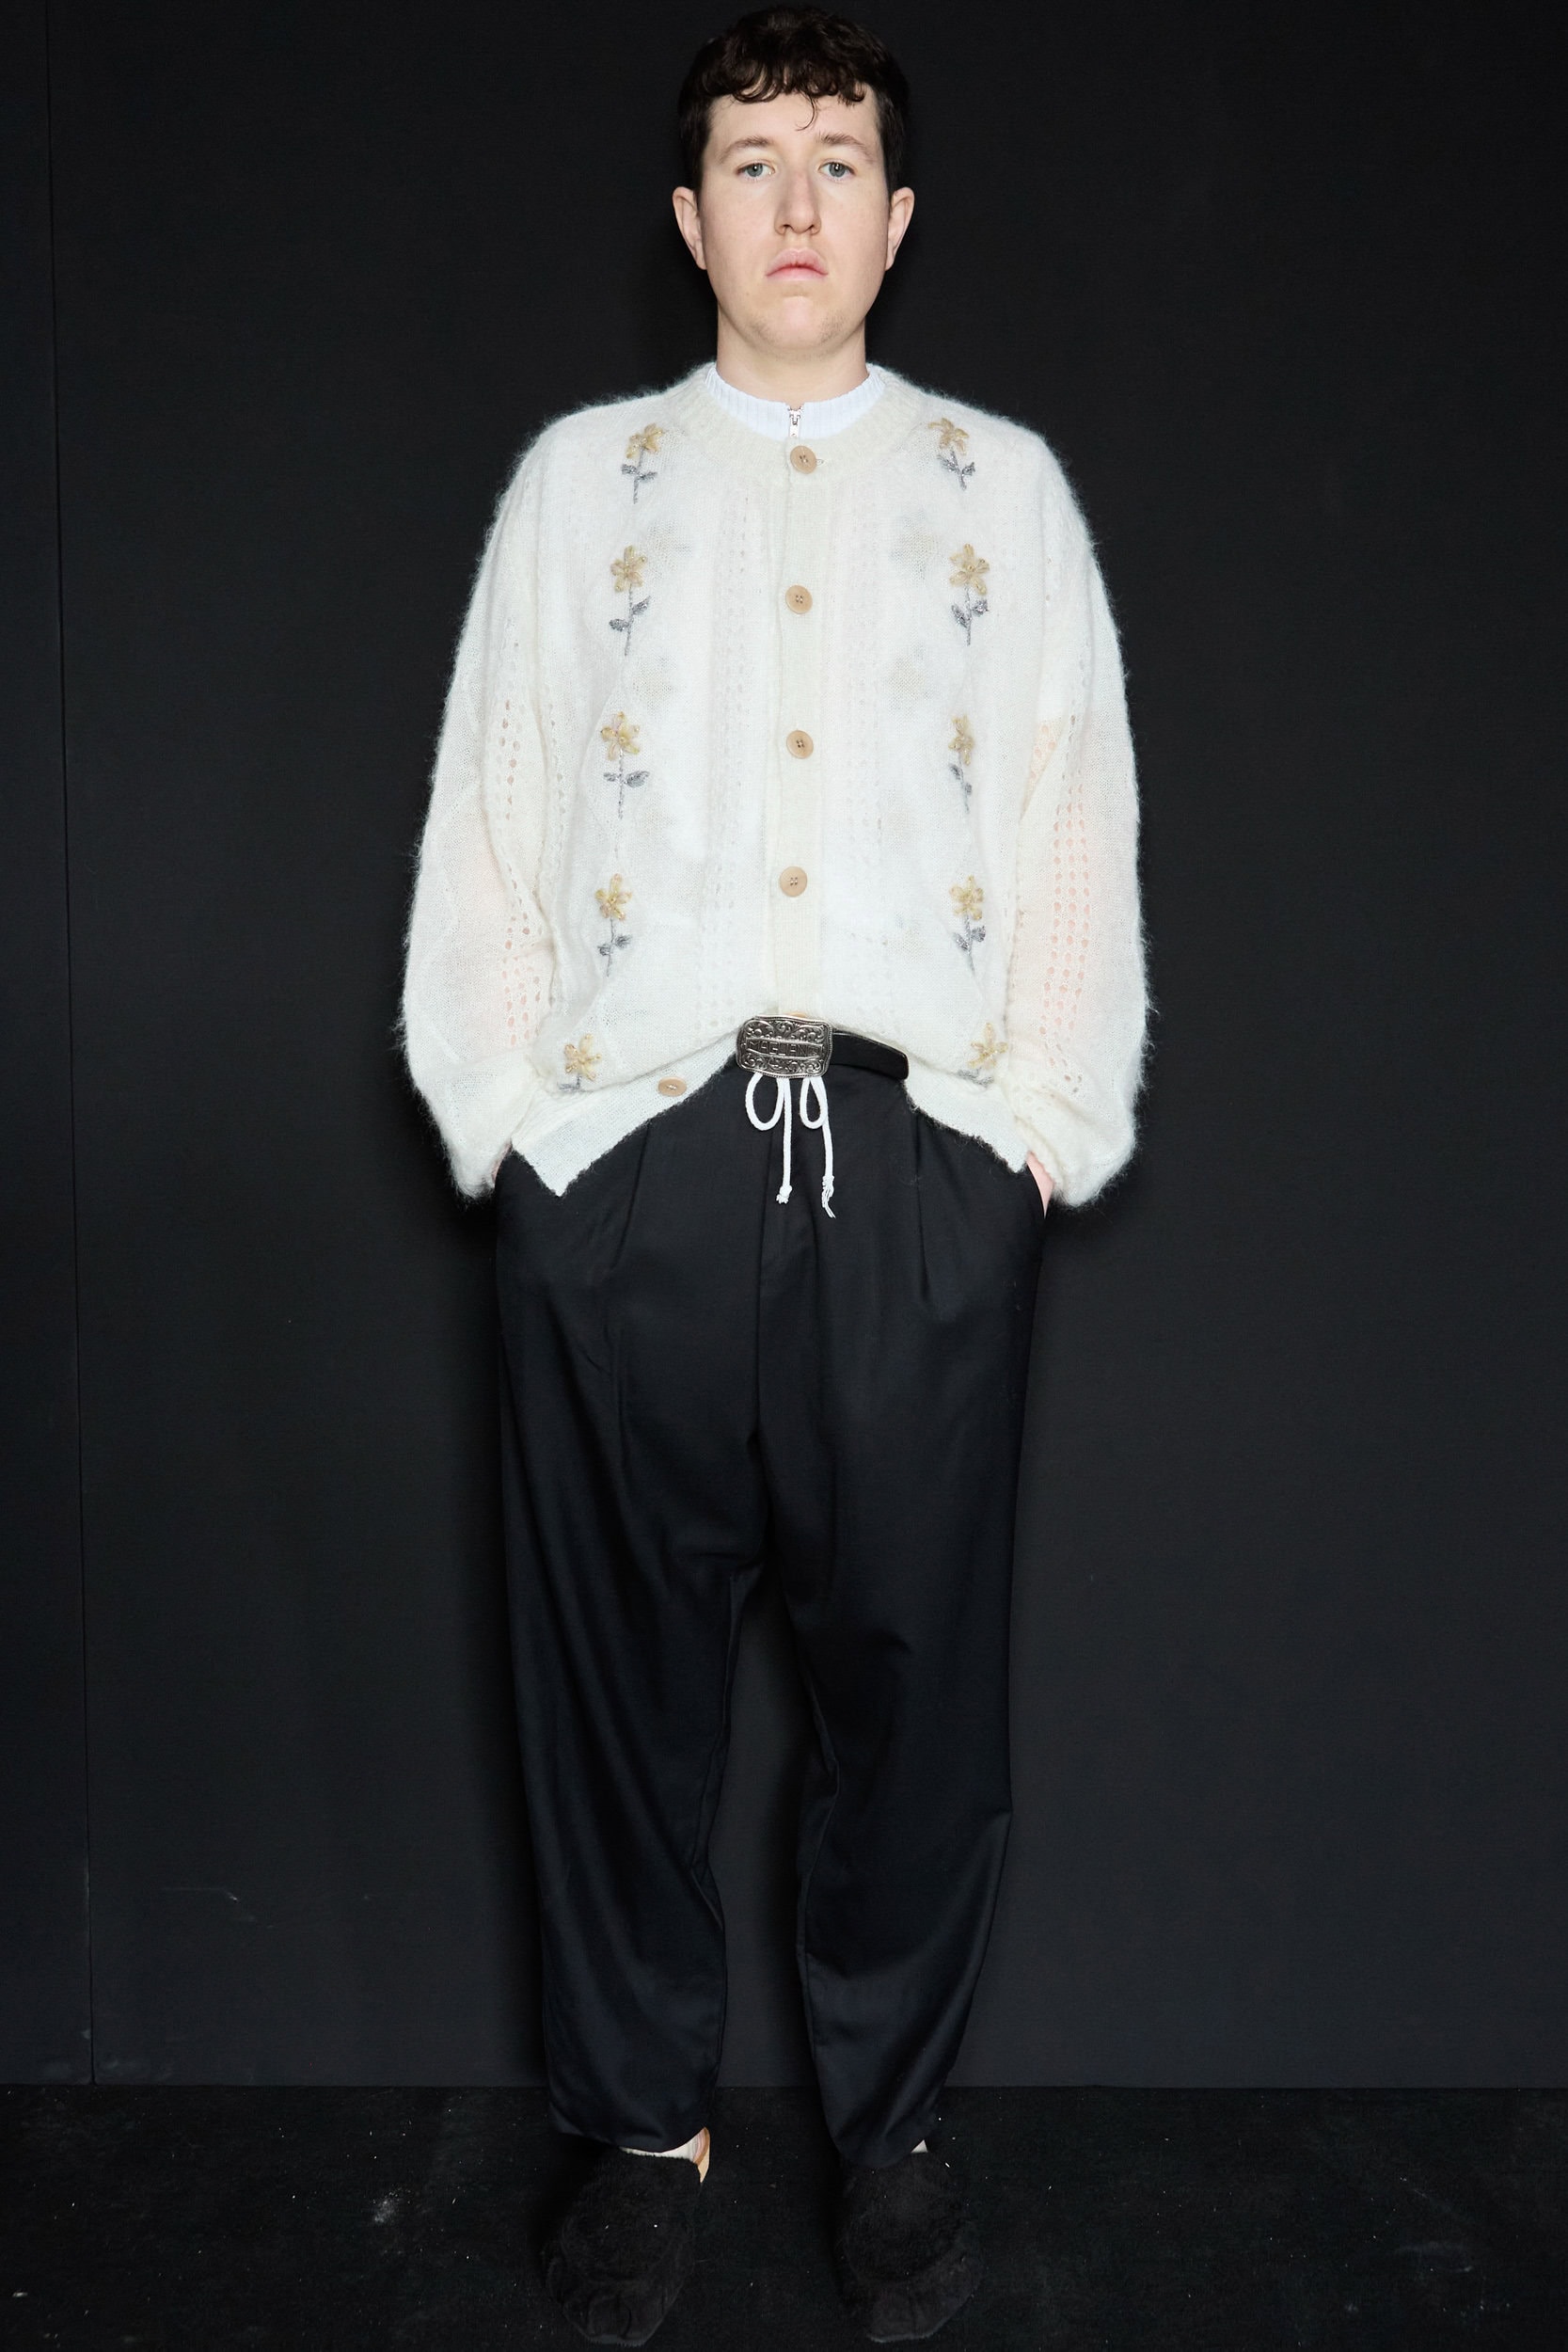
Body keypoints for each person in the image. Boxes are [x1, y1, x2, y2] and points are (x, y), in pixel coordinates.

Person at [401, 6, 1147, 2340]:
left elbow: (1071, 819)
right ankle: (645, 2129)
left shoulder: (1000, 493)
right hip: (636, 1163)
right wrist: (526, 1133)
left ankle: (893, 2129)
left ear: (896, 220)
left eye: (836, 161)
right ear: (692, 214)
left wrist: (1027, 1138)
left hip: (910, 1169)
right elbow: (498, 811)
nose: (796, 201)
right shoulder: (584, 486)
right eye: (752, 160)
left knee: (912, 1687)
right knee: (618, 1683)